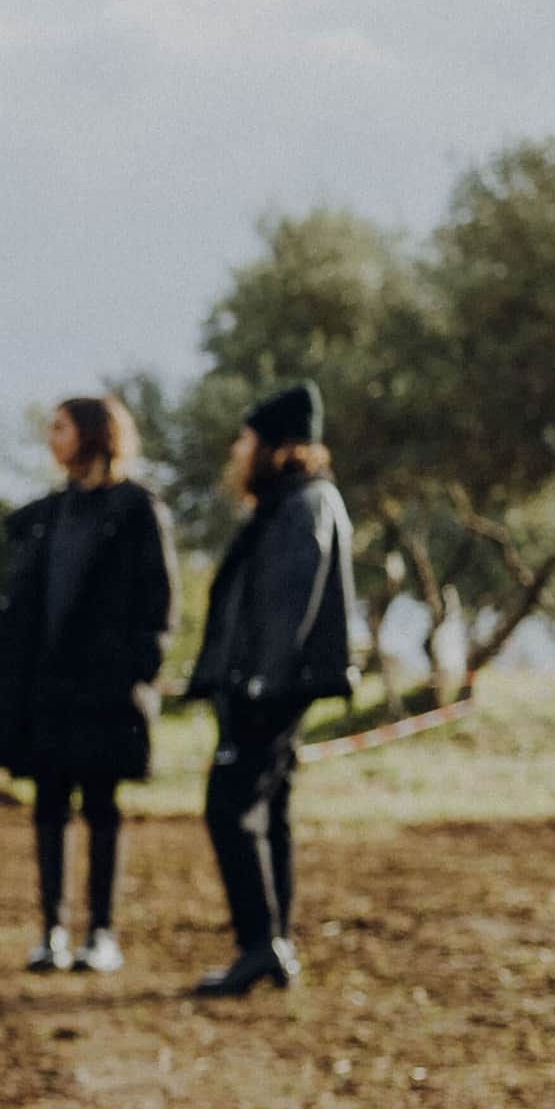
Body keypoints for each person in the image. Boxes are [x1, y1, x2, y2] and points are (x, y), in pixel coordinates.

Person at [0, 396, 176, 976]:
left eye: (59, 427)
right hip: (47, 690)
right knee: (48, 808)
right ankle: (52, 930)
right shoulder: (42, 515)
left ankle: (102, 932)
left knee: (103, 808)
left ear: (92, 434)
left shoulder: (137, 510)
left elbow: (160, 602)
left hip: (108, 692)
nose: (50, 438)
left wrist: (138, 669)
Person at [184, 384, 362, 998]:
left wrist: (259, 681)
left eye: (247, 438)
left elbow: (289, 602)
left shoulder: (305, 503)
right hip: (266, 684)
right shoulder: (289, 502)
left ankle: (259, 945)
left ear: (278, 446)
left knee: (228, 808)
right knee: (268, 811)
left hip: (266, 689)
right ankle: (273, 944)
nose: (237, 450)